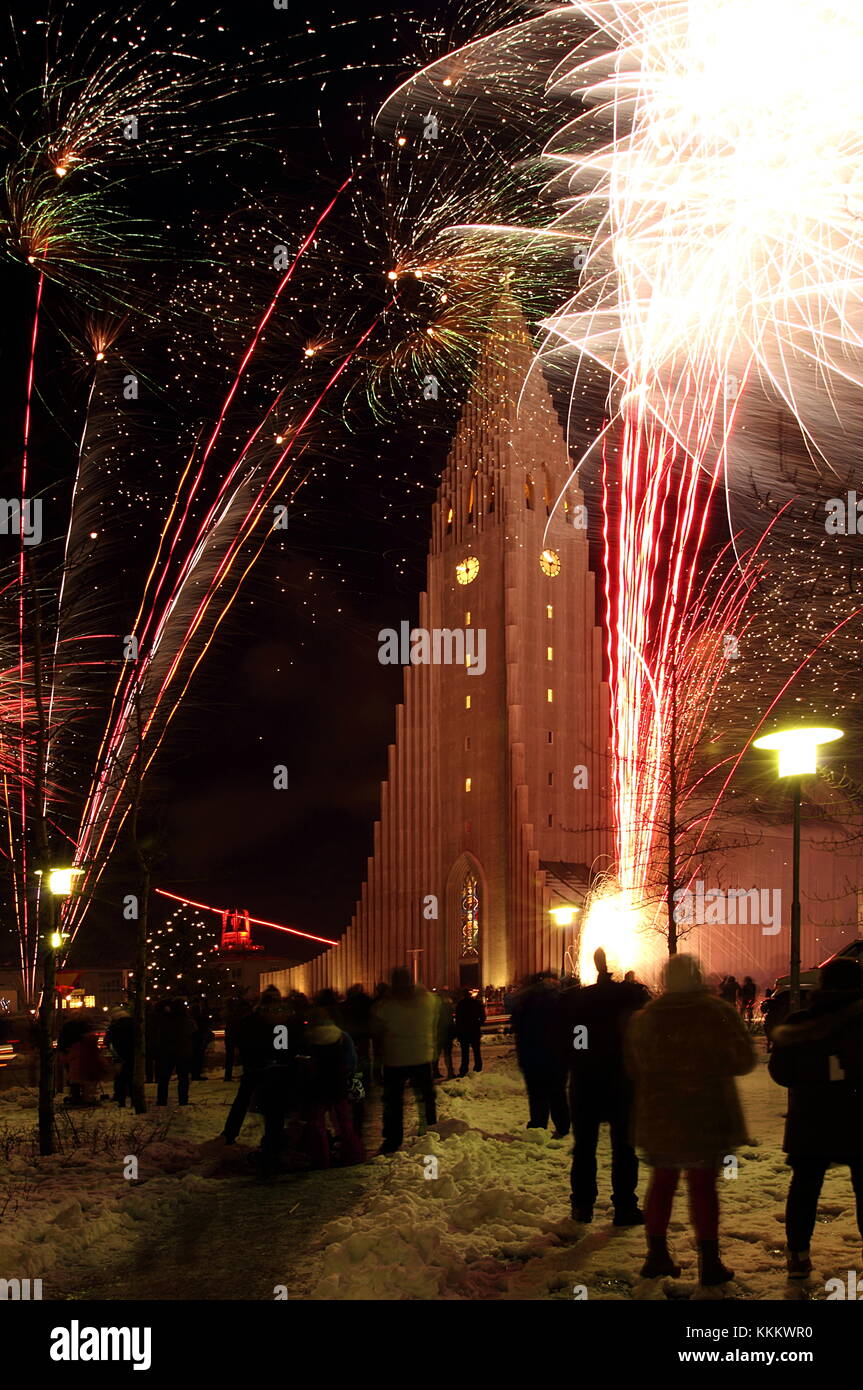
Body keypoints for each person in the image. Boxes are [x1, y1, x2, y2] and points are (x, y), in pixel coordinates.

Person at [626, 953, 755, 1285]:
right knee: (703, 1187)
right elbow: (743, 1060)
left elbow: (633, 1066)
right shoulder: (718, 1012)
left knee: (662, 1182)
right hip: (707, 1114)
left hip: (661, 1115)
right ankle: (709, 1263)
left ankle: (656, 1256)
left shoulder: (645, 1018)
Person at [768, 957, 863, 1278]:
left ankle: (797, 1255)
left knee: (805, 1188)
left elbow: (781, 1073)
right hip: (859, 1119)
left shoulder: (798, 1023)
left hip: (810, 1119)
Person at [558, 948, 650, 1225]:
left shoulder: (577, 1002)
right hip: (622, 1082)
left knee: (584, 1147)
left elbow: (570, 1044)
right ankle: (625, 1206)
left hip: (586, 1083)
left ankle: (582, 1205)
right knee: (624, 1148)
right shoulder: (631, 999)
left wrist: (579, 1062)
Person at [371, 967, 440, 1154]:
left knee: (393, 1102)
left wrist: (377, 1063)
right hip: (421, 1056)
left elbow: (378, 1028)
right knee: (426, 1098)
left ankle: (393, 1139)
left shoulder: (388, 1006)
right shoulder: (427, 1001)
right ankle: (430, 1132)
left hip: (395, 1058)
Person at [222, 987, 290, 1144]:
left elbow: (242, 1040)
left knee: (243, 1099)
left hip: (253, 1065)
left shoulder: (250, 1021)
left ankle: (230, 1133)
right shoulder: (281, 1023)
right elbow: (282, 1047)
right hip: (273, 1068)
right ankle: (273, 1136)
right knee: (274, 1104)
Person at [509, 973, 569, 1137]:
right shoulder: (564, 1001)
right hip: (557, 1057)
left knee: (537, 1094)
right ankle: (562, 1126)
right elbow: (579, 1028)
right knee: (558, 1093)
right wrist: (580, 1050)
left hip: (533, 1057)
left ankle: (538, 1126)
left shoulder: (525, 1003)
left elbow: (520, 1031)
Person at [305, 1006, 365, 1168]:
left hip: (316, 1084)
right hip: (338, 1082)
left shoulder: (308, 1037)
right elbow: (351, 1060)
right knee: (344, 1121)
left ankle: (321, 1158)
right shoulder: (341, 1036)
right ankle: (353, 1154)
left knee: (317, 1123)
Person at [152, 997, 196, 1106]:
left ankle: (162, 1100)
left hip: (167, 1052)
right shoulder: (187, 1021)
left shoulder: (165, 1020)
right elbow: (193, 1032)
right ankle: (183, 1100)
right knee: (183, 1078)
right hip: (183, 1052)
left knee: (164, 1078)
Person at [65, 1017, 109, 1106]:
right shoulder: (90, 1042)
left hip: (78, 1065)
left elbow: (72, 1055)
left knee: (76, 1082)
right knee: (89, 1084)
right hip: (89, 1066)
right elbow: (96, 1054)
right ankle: (87, 1099)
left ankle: (77, 1098)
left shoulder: (76, 1043)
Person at [105, 1006, 135, 1108]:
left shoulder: (114, 1026)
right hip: (133, 1053)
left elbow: (107, 1041)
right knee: (132, 1077)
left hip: (119, 1054)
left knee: (120, 1078)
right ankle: (134, 1098)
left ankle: (120, 1099)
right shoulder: (134, 1024)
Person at [454, 988, 485, 1076]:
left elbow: (458, 1019)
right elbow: (483, 1016)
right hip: (474, 1030)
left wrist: (458, 1031)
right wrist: (478, 1024)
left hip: (464, 1031)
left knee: (465, 1052)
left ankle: (464, 1069)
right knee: (476, 1051)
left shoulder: (460, 1004)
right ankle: (478, 1067)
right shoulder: (477, 1003)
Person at [433, 990, 456, 1081]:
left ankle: (435, 1072)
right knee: (447, 1054)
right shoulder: (448, 1007)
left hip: (439, 1034)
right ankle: (450, 1072)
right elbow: (450, 1021)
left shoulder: (435, 1007)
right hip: (446, 1034)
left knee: (436, 1054)